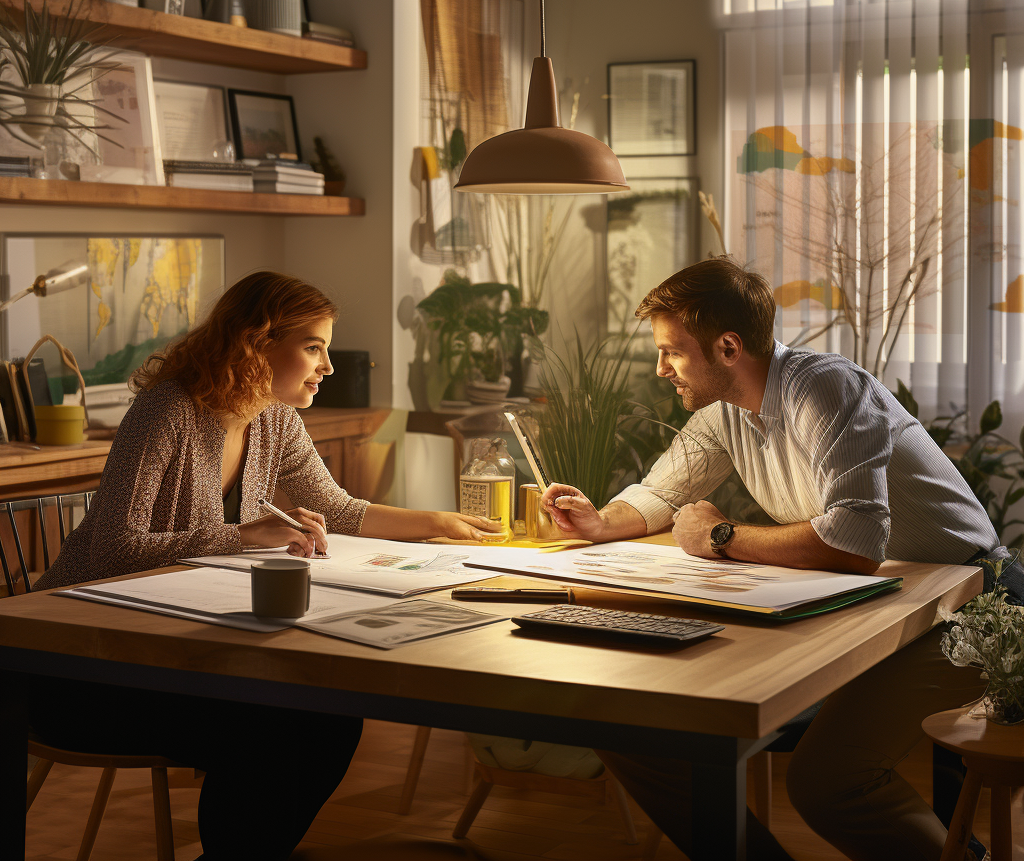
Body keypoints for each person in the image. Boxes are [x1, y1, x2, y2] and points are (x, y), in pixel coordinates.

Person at [540, 257, 1023, 861]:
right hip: (871, 605)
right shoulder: (723, 410)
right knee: (635, 729)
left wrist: (722, 537)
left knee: (829, 785)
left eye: (672, 352)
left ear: (727, 346)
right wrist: (599, 521)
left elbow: (852, 544)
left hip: (975, 602)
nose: (661, 368)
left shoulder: (828, 389)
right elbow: (662, 493)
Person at [32, 271, 499, 861]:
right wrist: (239, 536)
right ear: (255, 342)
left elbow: (337, 509)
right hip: (81, 667)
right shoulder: (165, 413)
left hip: (174, 652)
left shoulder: (272, 417)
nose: (328, 365)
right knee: (271, 729)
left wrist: (439, 522)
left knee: (332, 715)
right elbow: (113, 547)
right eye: (314, 346)